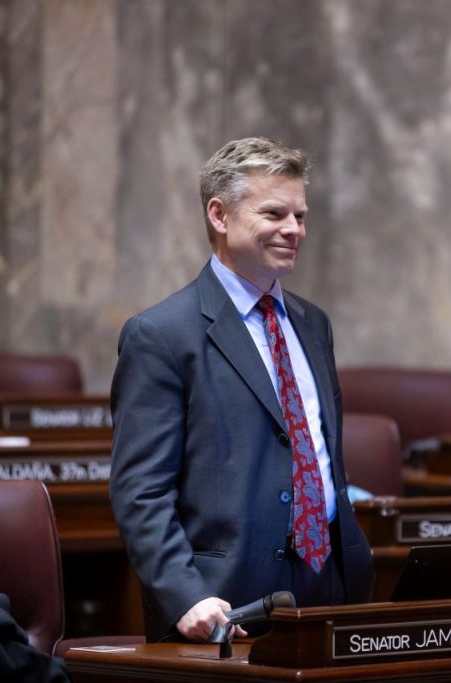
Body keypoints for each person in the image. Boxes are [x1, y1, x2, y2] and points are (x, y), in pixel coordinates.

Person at [109, 137, 374, 643]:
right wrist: (184, 595)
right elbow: (140, 490)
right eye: (275, 213)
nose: (294, 230)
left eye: (300, 216)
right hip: (224, 607)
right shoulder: (162, 335)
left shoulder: (312, 324)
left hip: (332, 588)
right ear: (219, 215)